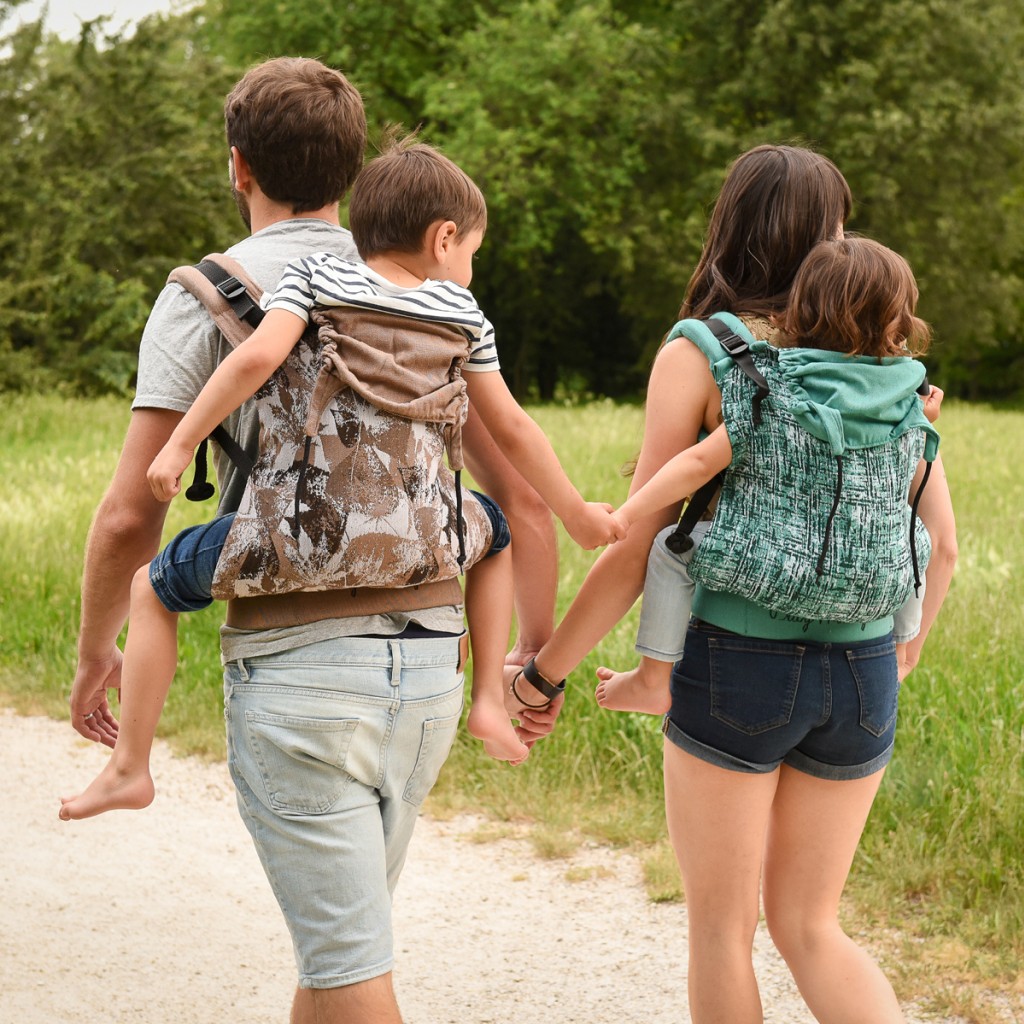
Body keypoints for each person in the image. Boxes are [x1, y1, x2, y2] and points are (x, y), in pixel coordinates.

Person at [66, 58, 562, 1024]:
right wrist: (525, 662)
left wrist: (100, 654)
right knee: (342, 956)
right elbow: (519, 502)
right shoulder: (423, 285)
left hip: (300, 667)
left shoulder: (210, 292)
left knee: (349, 967)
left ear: (237, 166)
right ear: (354, 171)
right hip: (428, 667)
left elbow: (134, 513)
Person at [514, 146, 958, 1024]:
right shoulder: (883, 369)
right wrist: (900, 656)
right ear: (826, 236)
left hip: (737, 666)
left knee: (722, 930)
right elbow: (940, 547)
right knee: (812, 925)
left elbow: (643, 539)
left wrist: (547, 671)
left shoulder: (707, 351)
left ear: (732, 226)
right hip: (865, 670)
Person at [596, 350, 944, 718]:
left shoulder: (772, 386)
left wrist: (626, 514)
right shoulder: (903, 398)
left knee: (672, 549)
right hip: (869, 591)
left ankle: (651, 681)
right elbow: (943, 545)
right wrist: (922, 416)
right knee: (914, 537)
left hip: (773, 565)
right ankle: (901, 653)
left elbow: (697, 463)